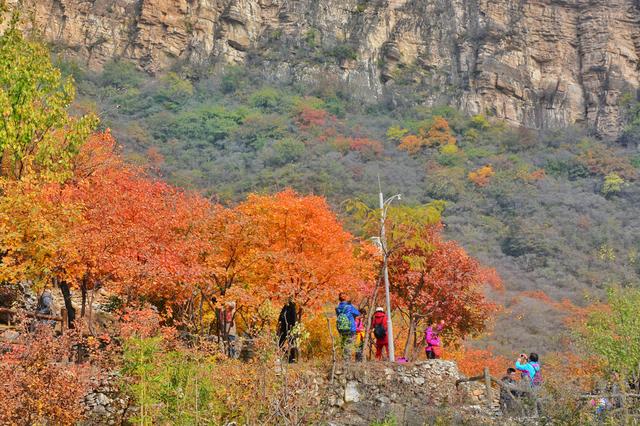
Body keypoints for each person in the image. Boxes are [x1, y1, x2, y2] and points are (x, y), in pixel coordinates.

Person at [335, 293, 360, 361]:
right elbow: (357, 313)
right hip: (350, 328)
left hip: (341, 328)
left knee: (343, 344)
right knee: (350, 345)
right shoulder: (349, 306)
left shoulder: (337, 308)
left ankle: (344, 360)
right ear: (345, 298)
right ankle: (347, 362)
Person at [278, 299, 297, 363]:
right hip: (283, 328)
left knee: (291, 343)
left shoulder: (292, 307)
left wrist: (292, 328)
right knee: (280, 343)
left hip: (290, 328)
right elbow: (280, 317)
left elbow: (294, 319)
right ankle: (285, 356)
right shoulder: (285, 307)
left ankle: (292, 359)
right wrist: (279, 324)